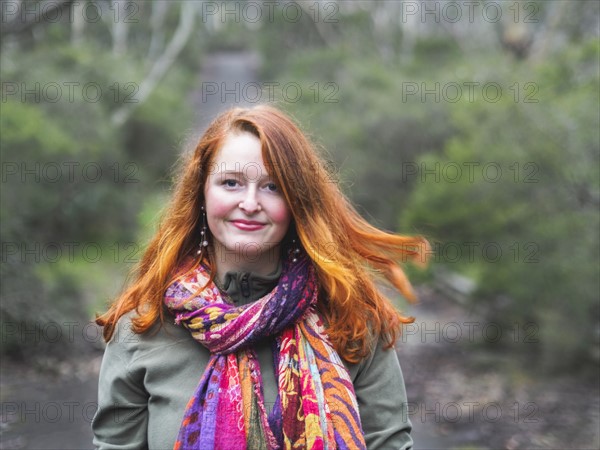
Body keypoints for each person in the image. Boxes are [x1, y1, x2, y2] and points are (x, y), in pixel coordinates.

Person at [92, 105, 428, 449]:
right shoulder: (143, 325)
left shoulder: (352, 319)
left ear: (297, 200)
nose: (250, 203)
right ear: (202, 194)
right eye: (231, 183)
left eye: (272, 186)